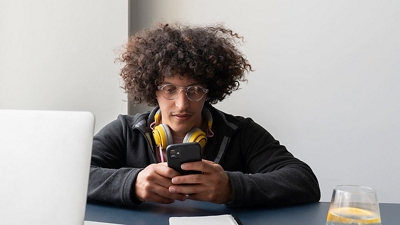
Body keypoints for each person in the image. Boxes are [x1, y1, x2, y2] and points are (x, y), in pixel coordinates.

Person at [88, 22, 320, 207]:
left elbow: (303, 181)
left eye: (194, 90)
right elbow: (70, 176)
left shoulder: (241, 132)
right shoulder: (124, 132)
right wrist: (132, 183)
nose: (182, 104)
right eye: (169, 89)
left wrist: (232, 187)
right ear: (152, 90)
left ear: (209, 90)